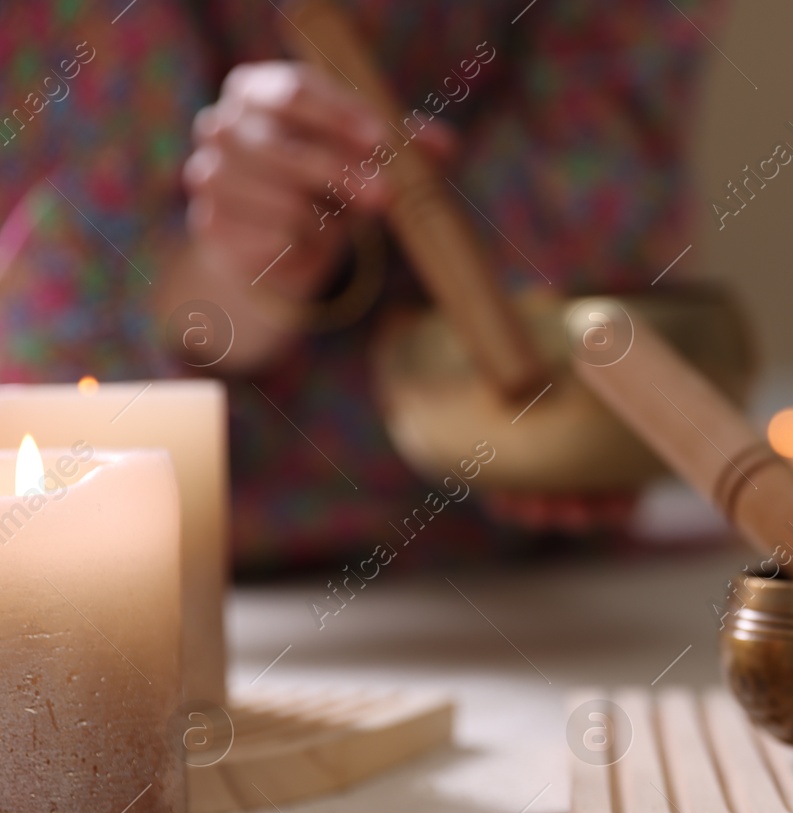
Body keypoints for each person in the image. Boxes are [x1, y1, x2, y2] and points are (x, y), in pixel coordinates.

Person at [0, 0, 718, 571]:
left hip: (523, 587)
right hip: (195, 585)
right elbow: (56, 386)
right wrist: (237, 274)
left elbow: (596, 290)